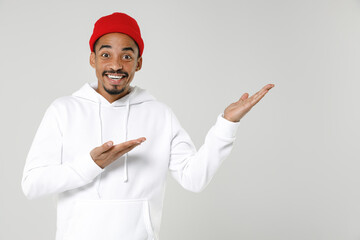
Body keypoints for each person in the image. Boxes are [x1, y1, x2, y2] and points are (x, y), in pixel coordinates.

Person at [21, 12, 274, 240]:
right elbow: (32, 184)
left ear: (139, 63)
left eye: (127, 56)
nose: (116, 65)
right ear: (92, 59)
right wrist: (92, 165)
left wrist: (227, 123)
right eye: (106, 54)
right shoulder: (63, 110)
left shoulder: (159, 114)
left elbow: (194, 178)